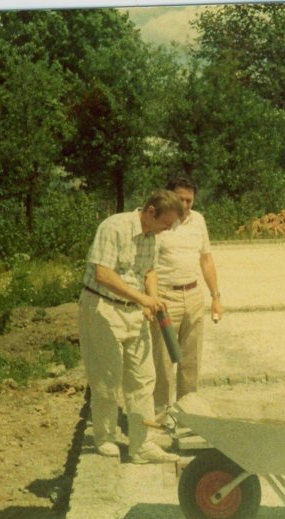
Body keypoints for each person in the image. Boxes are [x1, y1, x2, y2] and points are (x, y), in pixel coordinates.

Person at [78, 189, 183, 463]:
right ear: (150, 212)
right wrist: (142, 298)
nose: (166, 230)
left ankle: (142, 445)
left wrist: (152, 299)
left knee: (143, 379)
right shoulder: (113, 227)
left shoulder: (153, 238)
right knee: (107, 378)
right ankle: (105, 437)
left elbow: (149, 272)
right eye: (164, 223)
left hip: (133, 312)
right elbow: (103, 274)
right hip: (102, 308)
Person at [150, 176, 223, 413]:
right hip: (165, 298)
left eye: (189, 200)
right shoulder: (160, 223)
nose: (185, 204)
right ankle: (161, 412)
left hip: (193, 296)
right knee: (162, 361)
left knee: (190, 360)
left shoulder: (198, 221)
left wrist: (216, 297)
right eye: (180, 199)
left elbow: (206, 259)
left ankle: (188, 411)